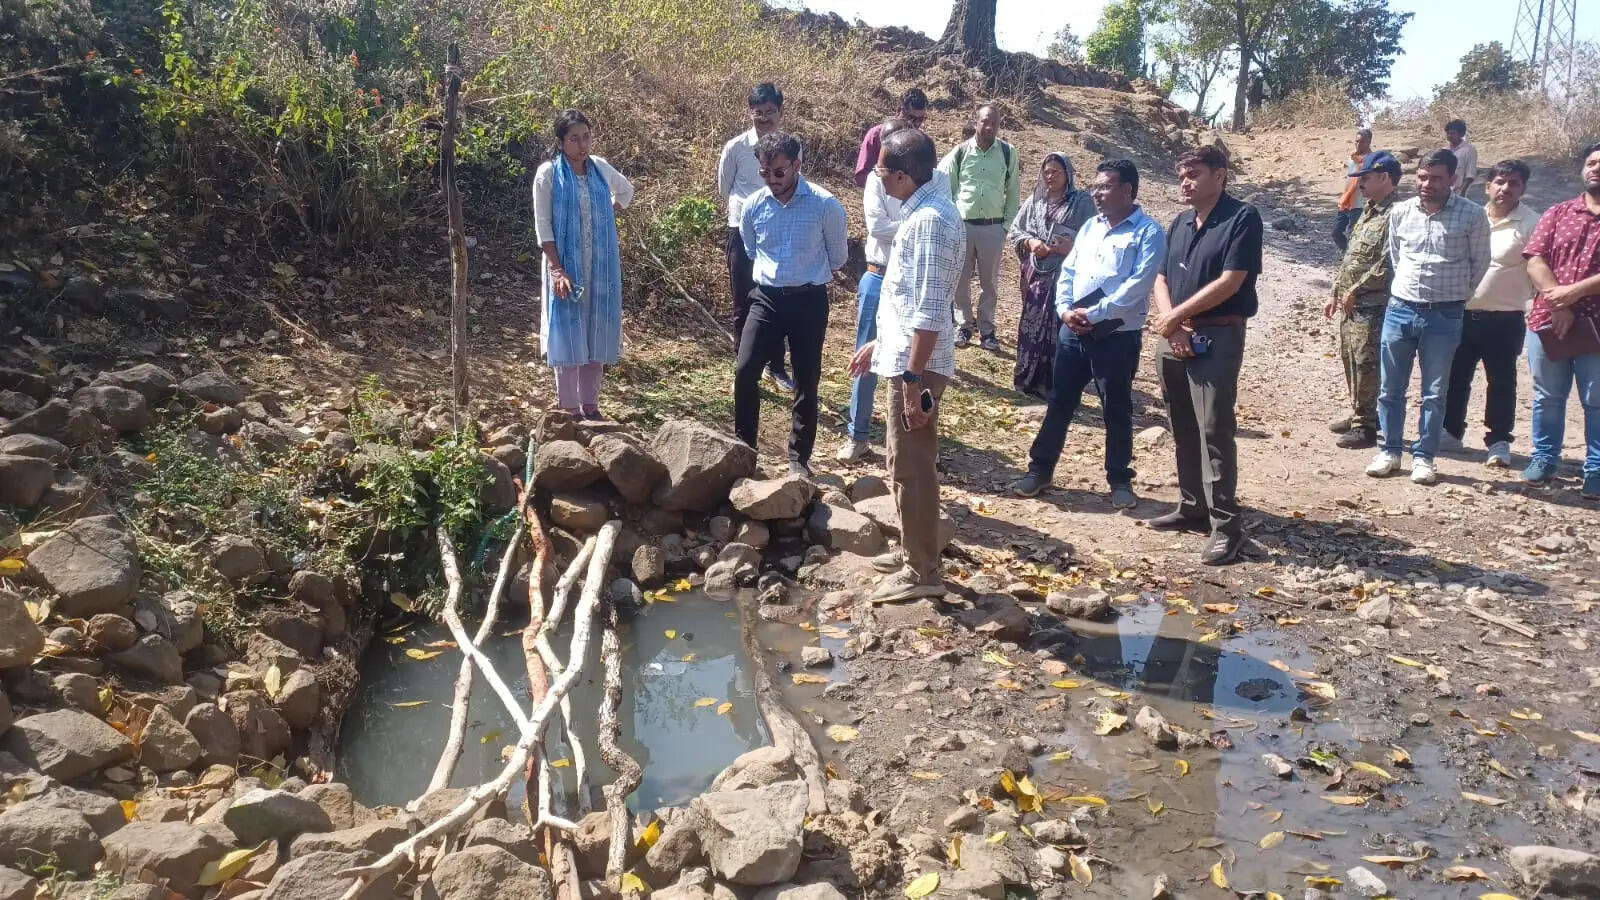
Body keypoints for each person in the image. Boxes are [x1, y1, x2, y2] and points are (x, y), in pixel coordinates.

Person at [847, 128, 965, 602]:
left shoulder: (929, 221)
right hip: (905, 355)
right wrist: (881, 343)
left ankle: (923, 573)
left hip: (919, 366)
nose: (876, 180)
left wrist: (914, 381)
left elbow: (931, 309)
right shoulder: (922, 212)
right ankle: (913, 551)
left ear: (901, 176)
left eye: (880, 172)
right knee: (901, 460)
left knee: (913, 466)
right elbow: (911, 298)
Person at [1011, 159, 1165, 508]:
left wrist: (1094, 314)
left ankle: (1119, 480)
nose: (1096, 193)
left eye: (1105, 187)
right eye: (1095, 186)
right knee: (1059, 402)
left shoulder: (1148, 232)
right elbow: (1068, 271)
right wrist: (1065, 310)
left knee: (1116, 407)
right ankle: (1040, 470)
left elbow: (1137, 286)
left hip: (1116, 335)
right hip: (1073, 330)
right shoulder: (1090, 228)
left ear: (1127, 190)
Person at [1148, 146, 1263, 566]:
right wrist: (1172, 323)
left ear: (1220, 174)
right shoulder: (1180, 221)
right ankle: (1193, 505)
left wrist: (1176, 316)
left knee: (1214, 427)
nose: (1185, 182)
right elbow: (1160, 277)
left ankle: (1227, 527)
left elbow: (1232, 280)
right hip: (1175, 335)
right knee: (1181, 423)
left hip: (1218, 335)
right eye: (1182, 174)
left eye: (1194, 173)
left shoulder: (1242, 217)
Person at [1367, 149, 1490, 484]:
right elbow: (1396, 257)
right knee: (1390, 388)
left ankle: (1424, 457)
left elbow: (1480, 264)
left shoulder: (1472, 215)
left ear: (1453, 179)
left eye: (1436, 178)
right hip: (1400, 310)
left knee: (1434, 393)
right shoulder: (1401, 212)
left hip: (1444, 316)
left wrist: (1454, 297)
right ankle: (1390, 451)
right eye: (1422, 177)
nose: (1427, 184)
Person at [734, 132, 848, 476]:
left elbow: (838, 257)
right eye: (764, 172)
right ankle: (743, 449)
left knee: (806, 380)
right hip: (766, 299)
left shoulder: (825, 205)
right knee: (745, 371)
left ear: (797, 165)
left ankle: (799, 459)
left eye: (779, 172)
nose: (771, 180)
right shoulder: (753, 205)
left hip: (808, 300)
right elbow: (752, 249)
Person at [837, 119, 948, 463]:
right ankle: (859, 434)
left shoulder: (932, 205)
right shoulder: (880, 182)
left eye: (885, 165)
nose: (878, 171)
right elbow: (877, 227)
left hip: (913, 284)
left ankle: (917, 444)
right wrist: (910, 226)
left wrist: (911, 226)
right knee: (866, 360)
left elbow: (930, 309)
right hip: (879, 275)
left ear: (903, 169)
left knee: (914, 371)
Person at [534, 109, 635, 420]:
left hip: (600, 266)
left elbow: (626, 191)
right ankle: (569, 407)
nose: (582, 145)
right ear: (561, 142)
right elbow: (543, 225)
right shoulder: (548, 174)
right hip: (564, 265)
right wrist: (557, 269)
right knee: (567, 328)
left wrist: (603, 215)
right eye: (574, 139)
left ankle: (590, 405)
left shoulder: (600, 168)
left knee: (596, 328)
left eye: (586, 137)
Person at [1444, 159, 1540, 467]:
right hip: (1463, 315)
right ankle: (1450, 432)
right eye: (1500, 182)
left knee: (1501, 382)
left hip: (1505, 319)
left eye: (1513, 183)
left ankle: (1498, 441)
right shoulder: (1471, 217)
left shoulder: (1533, 223)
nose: (1505, 188)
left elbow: (1540, 269)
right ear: (1488, 186)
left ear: (1523, 188)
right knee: (1455, 377)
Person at [1520, 142, 1600, 499]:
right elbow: (1535, 259)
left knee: (1596, 400)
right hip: (1549, 321)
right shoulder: (1558, 213)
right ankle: (1545, 458)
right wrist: (1557, 302)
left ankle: (1596, 470)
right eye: (1591, 162)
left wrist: (1572, 293)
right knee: (1548, 396)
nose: (1596, 168)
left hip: (1597, 326)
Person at [718, 83, 794, 392]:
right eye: (758, 112)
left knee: (778, 300)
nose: (764, 118)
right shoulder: (735, 147)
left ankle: (776, 367)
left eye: (770, 111)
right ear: (750, 113)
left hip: (778, 233)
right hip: (741, 230)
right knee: (743, 301)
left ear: (780, 112)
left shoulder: (791, 147)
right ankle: (745, 369)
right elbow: (724, 188)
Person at [1325, 151, 1402, 450]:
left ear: (1384, 177)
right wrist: (1336, 291)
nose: (1361, 184)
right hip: (1351, 303)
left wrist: (1356, 289)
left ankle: (1366, 426)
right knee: (1350, 359)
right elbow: (1352, 257)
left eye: (1366, 178)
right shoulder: (1369, 210)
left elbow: (1387, 263)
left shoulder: (1396, 214)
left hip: (1373, 304)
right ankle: (1360, 412)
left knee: (1366, 364)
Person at [1006, 151, 1095, 399]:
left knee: (1059, 327)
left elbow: (1096, 236)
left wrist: (1072, 247)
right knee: (1032, 324)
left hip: (1066, 277)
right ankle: (1028, 379)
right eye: (1046, 172)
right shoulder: (1035, 201)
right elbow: (1016, 230)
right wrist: (1032, 242)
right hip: (1037, 275)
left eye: (1056, 171)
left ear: (1068, 174)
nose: (1050, 176)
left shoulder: (1082, 202)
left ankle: (1055, 385)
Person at [938, 104, 1021, 351]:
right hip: (963, 226)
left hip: (993, 228)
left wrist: (1005, 227)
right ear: (977, 122)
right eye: (985, 121)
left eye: (994, 123)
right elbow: (950, 190)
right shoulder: (961, 152)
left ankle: (987, 331)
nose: (989, 127)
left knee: (990, 282)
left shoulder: (1007, 153)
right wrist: (952, 222)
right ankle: (963, 326)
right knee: (960, 279)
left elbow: (1013, 192)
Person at [854, 89, 927, 188]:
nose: (917, 123)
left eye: (921, 119)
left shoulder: (922, 141)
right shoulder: (876, 135)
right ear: (899, 110)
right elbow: (861, 176)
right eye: (912, 118)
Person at [1332, 128, 1373, 251]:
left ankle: (1351, 258)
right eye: (1357, 141)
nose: (1358, 144)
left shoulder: (1371, 160)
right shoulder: (1352, 158)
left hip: (1360, 204)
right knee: (1336, 233)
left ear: (1369, 142)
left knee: (1353, 235)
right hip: (1346, 201)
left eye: (1362, 142)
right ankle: (1347, 255)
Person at [1445, 119, 1479, 197]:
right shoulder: (1445, 150)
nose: (1449, 135)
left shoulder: (1469, 150)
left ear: (1461, 134)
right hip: (1444, 192)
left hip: (1458, 193)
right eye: (1448, 133)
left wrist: (1462, 192)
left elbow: (1470, 174)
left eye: (1452, 133)